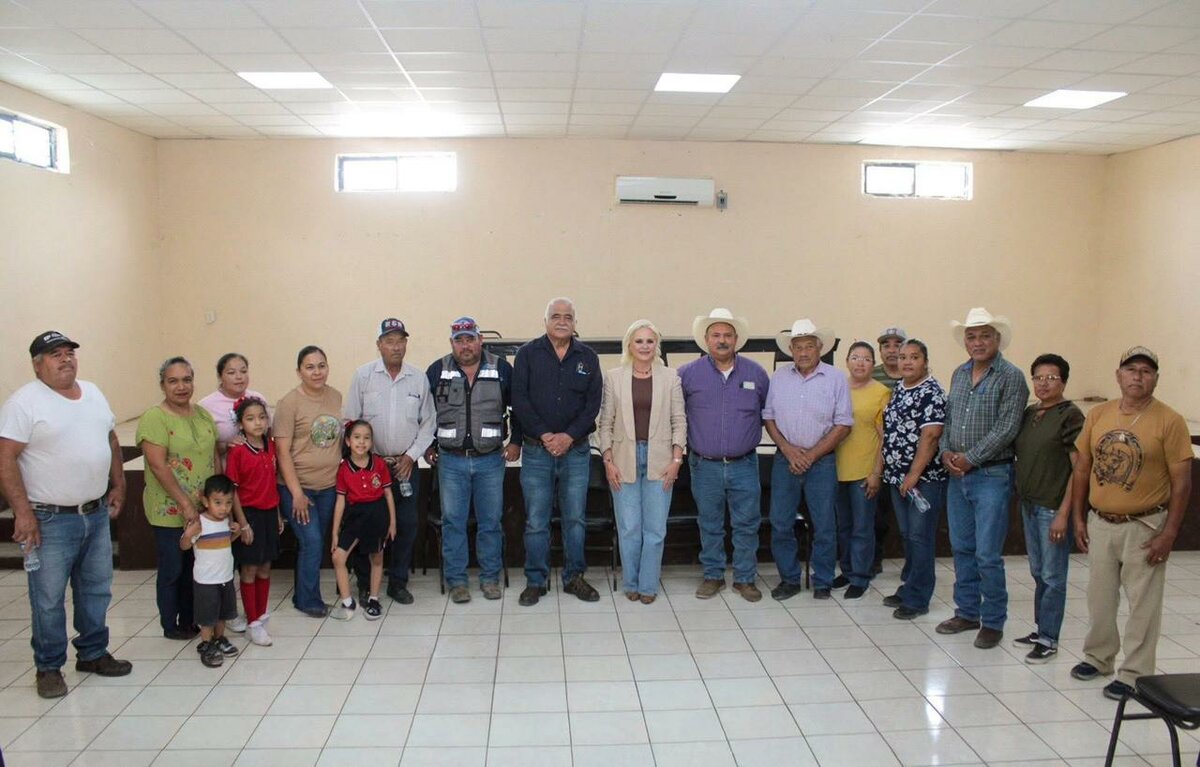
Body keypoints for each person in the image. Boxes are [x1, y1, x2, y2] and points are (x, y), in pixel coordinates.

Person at [0, 331, 132, 699]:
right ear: (37, 365)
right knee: (48, 598)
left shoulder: (93, 392)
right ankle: (48, 667)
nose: (65, 359)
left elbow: (111, 440)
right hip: (48, 520)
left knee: (96, 589)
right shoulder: (24, 403)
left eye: (69, 353)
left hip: (95, 512)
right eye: (55, 354)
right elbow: (5, 458)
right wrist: (22, 513)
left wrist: (119, 484)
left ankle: (92, 653)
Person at [1070, 346, 1192, 700]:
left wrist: (1170, 532)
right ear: (1118, 375)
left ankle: (1135, 673)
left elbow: (1182, 483)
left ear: (1155, 378)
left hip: (1146, 525)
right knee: (1099, 598)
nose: (1138, 376)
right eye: (1131, 369)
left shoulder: (1169, 420)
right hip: (1100, 521)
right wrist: (1078, 516)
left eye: (1146, 371)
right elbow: (1082, 468)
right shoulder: (1099, 414)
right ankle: (1098, 657)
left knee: (1143, 604)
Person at [937, 308, 1028, 649]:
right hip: (957, 475)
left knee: (987, 554)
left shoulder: (1011, 377)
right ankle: (967, 612)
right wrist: (946, 452)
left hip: (991, 474)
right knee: (962, 547)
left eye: (984, 336)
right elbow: (949, 420)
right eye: (971, 337)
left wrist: (970, 458)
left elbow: (1007, 428)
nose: (977, 342)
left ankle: (992, 621)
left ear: (997, 340)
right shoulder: (959, 374)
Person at [512, 297, 603, 606]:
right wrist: (545, 434)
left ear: (575, 322)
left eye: (568, 316)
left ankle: (574, 577)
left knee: (575, 518)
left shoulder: (588, 357)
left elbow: (592, 405)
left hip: (576, 452)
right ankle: (536, 581)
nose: (562, 321)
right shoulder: (527, 354)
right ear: (545, 321)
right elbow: (520, 400)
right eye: (556, 316)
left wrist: (568, 436)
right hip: (537, 451)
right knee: (536, 520)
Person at [425, 317, 522, 604]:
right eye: (459, 340)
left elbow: (519, 407)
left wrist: (516, 441)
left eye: (470, 339)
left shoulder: (501, 368)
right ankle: (457, 582)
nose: (465, 345)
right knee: (453, 523)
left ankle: (490, 578)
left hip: (490, 460)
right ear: (452, 343)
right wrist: (428, 445)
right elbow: (425, 412)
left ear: (480, 340)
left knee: (490, 522)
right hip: (450, 461)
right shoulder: (437, 370)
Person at [678, 308, 770, 602]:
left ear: (736, 339)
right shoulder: (687, 375)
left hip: (745, 464)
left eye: (727, 335)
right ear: (706, 340)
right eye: (716, 335)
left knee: (747, 524)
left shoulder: (756, 373)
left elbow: (767, 413)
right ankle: (713, 575)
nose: (722, 340)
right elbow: (676, 417)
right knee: (709, 523)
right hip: (704, 465)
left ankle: (745, 579)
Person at [137, 357, 230, 640]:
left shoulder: (202, 415)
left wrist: (217, 500)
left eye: (186, 380)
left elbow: (213, 457)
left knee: (196, 566)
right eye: (173, 381)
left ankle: (193, 619)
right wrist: (185, 504)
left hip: (204, 510)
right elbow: (158, 466)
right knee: (174, 568)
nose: (181, 387)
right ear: (162, 384)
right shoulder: (155, 418)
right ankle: (171, 623)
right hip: (169, 510)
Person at [344, 318, 435, 606]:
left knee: (406, 524)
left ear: (406, 344)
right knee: (368, 524)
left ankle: (398, 582)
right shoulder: (363, 376)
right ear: (379, 345)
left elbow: (428, 423)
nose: (396, 347)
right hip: (370, 468)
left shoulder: (418, 378)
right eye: (389, 341)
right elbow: (350, 421)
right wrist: (367, 458)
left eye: (400, 341)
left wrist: (411, 456)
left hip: (405, 467)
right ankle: (364, 583)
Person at [597, 320, 687, 604]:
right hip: (623, 460)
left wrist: (677, 459)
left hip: (661, 461)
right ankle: (631, 583)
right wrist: (608, 460)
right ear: (629, 344)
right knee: (629, 528)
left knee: (655, 529)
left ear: (656, 345)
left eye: (650, 341)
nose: (645, 346)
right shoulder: (614, 377)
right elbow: (605, 423)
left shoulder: (671, 377)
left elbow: (679, 421)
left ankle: (648, 586)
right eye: (639, 341)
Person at [764, 319, 852, 601]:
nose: (803, 352)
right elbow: (769, 417)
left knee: (824, 524)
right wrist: (788, 449)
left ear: (820, 348)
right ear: (791, 349)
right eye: (798, 347)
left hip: (822, 462)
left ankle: (823, 580)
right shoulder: (779, 378)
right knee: (781, 522)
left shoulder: (836, 378)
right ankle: (789, 579)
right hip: (785, 461)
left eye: (809, 346)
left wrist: (812, 455)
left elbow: (843, 424)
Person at [1012, 354, 1084, 664]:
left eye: (1051, 378)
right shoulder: (1031, 413)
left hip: (1053, 509)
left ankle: (1049, 639)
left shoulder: (1070, 416)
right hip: (1030, 505)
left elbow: (1079, 469)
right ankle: (1041, 628)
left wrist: (1064, 514)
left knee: (1053, 576)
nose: (1043, 384)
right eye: (1038, 378)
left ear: (1064, 382)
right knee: (1038, 571)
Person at [881, 339, 948, 620]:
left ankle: (918, 598)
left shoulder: (932, 392)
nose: (907, 362)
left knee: (920, 537)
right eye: (903, 357)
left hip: (923, 479)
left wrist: (913, 474)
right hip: (897, 478)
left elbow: (931, 436)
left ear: (925, 361)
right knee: (908, 535)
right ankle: (909, 586)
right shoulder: (899, 388)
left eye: (914, 357)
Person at [276, 345, 343, 618]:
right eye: (310, 367)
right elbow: (282, 452)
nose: (317, 372)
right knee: (312, 541)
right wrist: (297, 494)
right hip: (297, 488)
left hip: (328, 487)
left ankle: (303, 593)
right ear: (299, 371)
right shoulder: (288, 403)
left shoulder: (336, 396)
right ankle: (307, 600)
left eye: (321, 365)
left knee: (315, 541)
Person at [833, 341, 890, 599]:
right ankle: (846, 570)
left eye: (866, 359)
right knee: (843, 526)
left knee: (862, 527)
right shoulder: (837, 386)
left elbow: (885, 437)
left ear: (873, 364)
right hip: (835, 468)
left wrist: (876, 472)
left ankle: (860, 576)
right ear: (847, 361)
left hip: (865, 470)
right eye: (855, 357)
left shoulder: (881, 392)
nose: (860, 363)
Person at [225, 396, 282, 647]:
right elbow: (233, 491)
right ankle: (252, 622)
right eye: (250, 419)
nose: (257, 423)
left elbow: (272, 482)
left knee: (265, 566)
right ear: (240, 424)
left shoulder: (271, 446)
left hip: (269, 514)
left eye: (261, 417)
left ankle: (260, 614)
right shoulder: (238, 451)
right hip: (249, 515)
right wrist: (243, 523)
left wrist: (277, 513)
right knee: (249, 568)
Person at [330, 420, 397, 621]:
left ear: (372, 442)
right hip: (354, 518)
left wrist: (392, 522)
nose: (362, 442)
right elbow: (340, 501)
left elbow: (388, 494)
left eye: (366, 438)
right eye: (357, 437)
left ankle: (374, 599)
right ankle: (347, 602)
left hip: (377, 515)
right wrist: (334, 532)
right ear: (348, 441)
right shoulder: (343, 468)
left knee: (377, 558)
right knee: (338, 557)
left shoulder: (379, 464)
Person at [180, 474, 243, 668]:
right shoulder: (199, 523)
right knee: (207, 617)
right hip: (206, 581)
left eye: (228, 503)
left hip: (225, 577)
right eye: (218, 503)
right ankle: (206, 644)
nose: (224, 508)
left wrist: (236, 533)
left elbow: (225, 541)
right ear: (205, 501)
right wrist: (188, 534)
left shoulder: (225, 521)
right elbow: (184, 546)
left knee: (223, 613)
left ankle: (219, 638)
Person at [870, 326, 905, 575]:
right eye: (886, 345)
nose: (892, 350)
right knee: (877, 515)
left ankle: (913, 566)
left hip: (909, 459)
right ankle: (875, 559)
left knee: (910, 519)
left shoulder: (914, 374)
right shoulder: (871, 376)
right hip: (877, 457)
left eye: (897, 344)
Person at [198, 353, 270, 451]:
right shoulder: (206, 405)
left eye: (243, 371)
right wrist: (225, 445)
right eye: (231, 373)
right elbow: (201, 445)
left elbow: (269, 433)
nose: (239, 377)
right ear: (220, 376)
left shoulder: (258, 398)